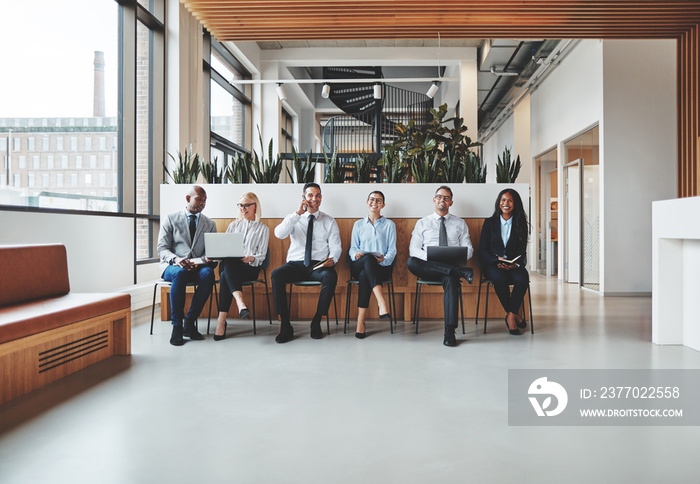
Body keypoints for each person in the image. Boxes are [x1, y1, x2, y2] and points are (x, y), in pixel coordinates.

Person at [271, 182, 341, 343]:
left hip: (318, 265)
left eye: (317, 195)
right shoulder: (294, 218)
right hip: (296, 264)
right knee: (276, 275)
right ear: (303, 197)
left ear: (321, 198)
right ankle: (285, 326)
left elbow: (336, 246)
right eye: (310, 195)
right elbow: (279, 234)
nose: (314, 199)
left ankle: (316, 321)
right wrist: (297, 213)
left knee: (331, 277)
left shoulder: (329, 221)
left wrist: (333, 259)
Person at [407, 185, 474, 347]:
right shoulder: (422, 223)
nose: (442, 200)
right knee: (411, 262)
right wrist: (429, 256)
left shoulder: (460, 223)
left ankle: (449, 331)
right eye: (439, 196)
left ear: (450, 203)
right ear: (434, 200)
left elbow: (469, 249)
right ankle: (459, 271)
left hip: (448, 268)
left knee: (451, 279)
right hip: (428, 267)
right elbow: (413, 249)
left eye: (446, 198)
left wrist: (454, 256)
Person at [157, 185, 217, 346]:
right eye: (199, 199)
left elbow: (211, 253)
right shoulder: (171, 218)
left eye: (205, 200)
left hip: (197, 267)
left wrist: (205, 260)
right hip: (173, 266)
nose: (203, 203)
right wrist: (176, 259)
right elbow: (162, 248)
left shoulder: (209, 224)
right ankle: (177, 326)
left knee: (208, 275)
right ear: (187, 198)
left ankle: (189, 322)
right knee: (180, 274)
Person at [213, 192, 269, 341]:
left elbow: (262, 256)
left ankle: (221, 321)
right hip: (231, 265)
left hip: (249, 268)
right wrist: (212, 255)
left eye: (246, 205)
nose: (243, 209)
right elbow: (224, 250)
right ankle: (240, 302)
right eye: (241, 205)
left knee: (226, 273)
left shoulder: (263, 229)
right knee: (229, 261)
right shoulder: (233, 225)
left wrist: (251, 258)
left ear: (255, 207)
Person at [479, 188, 530, 336]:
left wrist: (515, 264)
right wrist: (496, 260)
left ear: (516, 204)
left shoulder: (521, 224)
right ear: (498, 202)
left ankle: (510, 314)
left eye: (510, 200)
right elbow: (482, 250)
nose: (505, 203)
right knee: (499, 279)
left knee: (523, 279)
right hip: (493, 264)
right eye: (503, 200)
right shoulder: (490, 223)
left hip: (513, 265)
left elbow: (522, 250)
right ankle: (514, 316)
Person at [349, 190, 397, 339]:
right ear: (367, 202)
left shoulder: (390, 225)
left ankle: (360, 323)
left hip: (380, 268)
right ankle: (381, 302)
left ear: (383, 205)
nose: (374, 202)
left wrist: (384, 260)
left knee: (366, 274)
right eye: (371, 199)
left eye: (378, 200)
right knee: (367, 259)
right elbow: (352, 248)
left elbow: (392, 250)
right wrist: (355, 254)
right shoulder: (358, 224)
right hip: (359, 263)